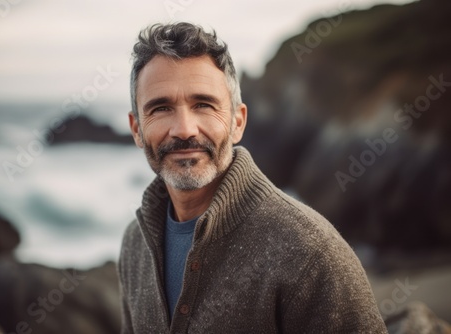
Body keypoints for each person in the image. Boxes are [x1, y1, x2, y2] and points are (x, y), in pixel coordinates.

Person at [117, 22, 387, 333]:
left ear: (237, 122)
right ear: (137, 129)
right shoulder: (135, 244)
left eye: (203, 105)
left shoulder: (311, 253)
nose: (184, 129)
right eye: (161, 108)